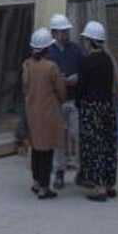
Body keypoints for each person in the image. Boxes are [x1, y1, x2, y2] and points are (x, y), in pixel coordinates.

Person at [22, 27, 66, 200]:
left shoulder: (27, 65)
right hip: (48, 115)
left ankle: (36, 182)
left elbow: (24, 88)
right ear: (47, 48)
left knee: (36, 150)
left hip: (32, 113)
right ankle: (44, 187)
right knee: (47, 151)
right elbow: (61, 91)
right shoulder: (51, 67)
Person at [77, 20, 118, 201]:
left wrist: (78, 103)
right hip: (107, 107)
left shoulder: (87, 62)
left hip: (91, 108)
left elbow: (81, 87)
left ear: (90, 40)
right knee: (108, 145)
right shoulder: (108, 60)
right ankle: (109, 184)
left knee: (95, 147)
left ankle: (99, 187)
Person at [44, 12, 83, 190]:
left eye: (67, 31)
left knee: (77, 135)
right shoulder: (49, 53)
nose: (65, 34)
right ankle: (59, 172)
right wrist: (60, 81)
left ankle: (81, 171)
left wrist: (77, 78)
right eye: (62, 32)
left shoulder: (76, 49)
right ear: (54, 33)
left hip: (74, 100)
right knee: (59, 138)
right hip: (57, 102)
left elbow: (84, 70)